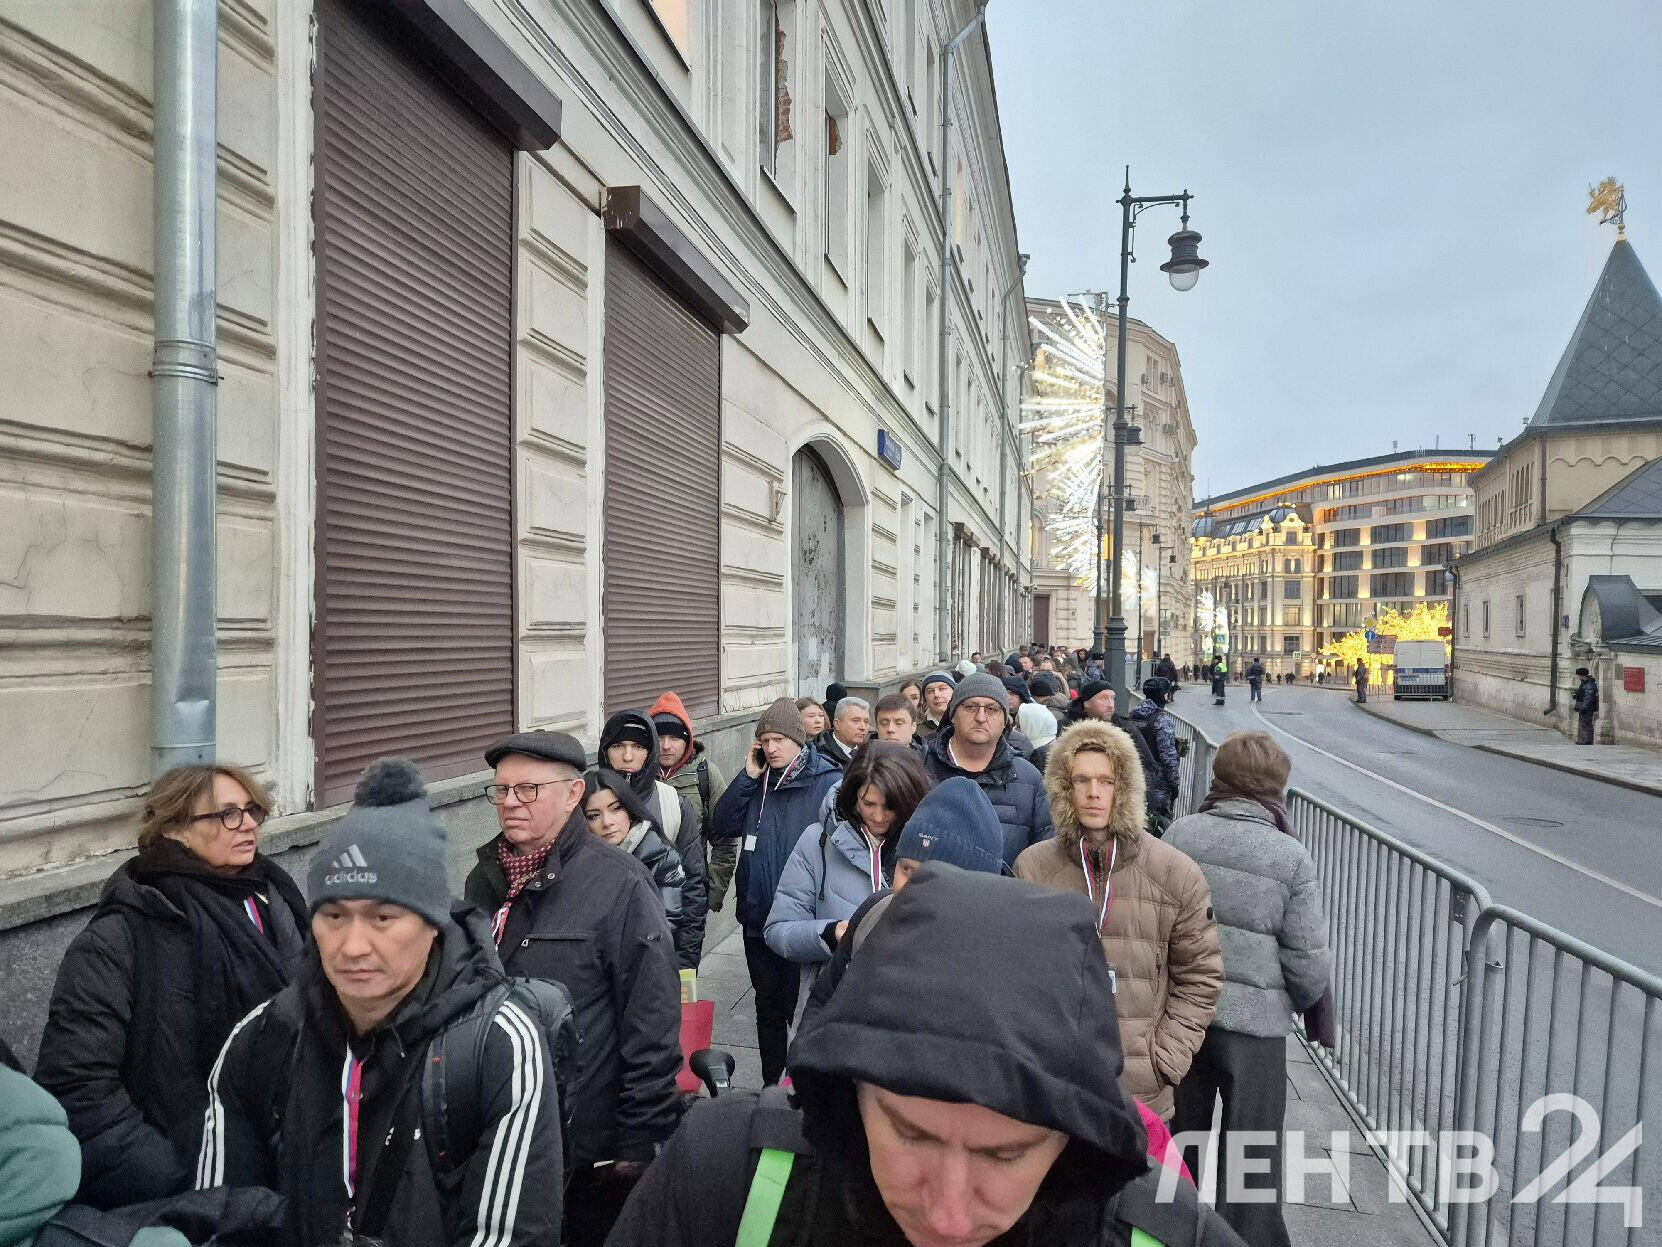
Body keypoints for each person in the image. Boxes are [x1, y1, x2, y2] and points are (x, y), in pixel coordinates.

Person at [607, 866, 1247, 1247]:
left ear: (1074, 1140)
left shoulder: (1162, 1233)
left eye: (1004, 1154)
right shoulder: (724, 1177)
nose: (947, 1215)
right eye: (911, 1134)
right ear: (852, 1095)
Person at [199, 759, 567, 1247]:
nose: (353, 947)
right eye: (334, 916)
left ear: (433, 924)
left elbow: (510, 1235)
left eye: (383, 918)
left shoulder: (497, 1044)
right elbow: (222, 1217)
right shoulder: (263, 1038)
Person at [35, 764, 307, 1208]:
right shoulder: (119, 938)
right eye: (228, 814)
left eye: (252, 810)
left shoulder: (273, 896)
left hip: (289, 1166)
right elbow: (79, 1090)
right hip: (187, 1190)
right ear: (174, 828)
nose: (249, 825)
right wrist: (178, 1181)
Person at [465, 731, 682, 1245]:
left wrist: (639, 1137)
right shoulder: (485, 879)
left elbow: (651, 1016)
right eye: (501, 790)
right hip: (499, 1128)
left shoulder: (620, 883)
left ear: (572, 796)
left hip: (586, 1142)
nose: (510, 802)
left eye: (528, 790)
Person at [1166, 733, 1332, 1247]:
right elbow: (1306, 957)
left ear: (1221, 776)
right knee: (1251, 1154)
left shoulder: (1181, 834)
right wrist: (1301, 1002)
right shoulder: (1289, 856)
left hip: (1182, 1016)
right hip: (1255, 1028)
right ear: (1276, 787)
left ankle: (1168, 1229)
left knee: (1179, 1138)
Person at [1015, 720, 1222, 1119]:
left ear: (1125, 788)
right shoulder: (1033, 867)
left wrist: (1165, 1059)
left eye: (1107, 781)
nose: (1093, 793)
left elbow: (1201, 977)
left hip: (1140, 1093)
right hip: (1053, 1088)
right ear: (1063, 787)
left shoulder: (1175, 873)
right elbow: (1019, 974)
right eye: (1081, 780)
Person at [709, 699, 842, 1085]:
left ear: (798, 740)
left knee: (802, 1010)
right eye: (765, 740)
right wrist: (746, 777)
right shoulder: (757, 780)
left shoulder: (828, 781)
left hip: (802, 922)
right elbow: (722, 826)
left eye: (779, 739)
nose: (771, 748)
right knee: (766, 1008)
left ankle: (803, 1088)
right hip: (757, 918)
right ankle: (770, 1085)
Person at [763, 742, 931, 1022]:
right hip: (830, 1010)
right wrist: (831, 933)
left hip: (906, 1011)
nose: (878, 816)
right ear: (852, 796)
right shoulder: (816, 841)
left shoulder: (928, 847)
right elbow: (778, 931)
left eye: (890, 806)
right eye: (868, 804)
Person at [599, 710, 707, 969]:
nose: (627, 756)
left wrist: (685, 961)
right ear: (605, 751)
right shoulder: (586, 799)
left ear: (650, 753)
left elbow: (692, 887)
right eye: (618, 746)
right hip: (597, 956)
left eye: (638, 747)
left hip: (658, 954)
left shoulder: (672, 804)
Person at [921, 673, 1053, 869]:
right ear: (953, 714)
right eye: (970, 707)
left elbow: (1044, 858)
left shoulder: (1029, 779)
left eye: (992, 709)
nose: (981, 718)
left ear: (1004, 720)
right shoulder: (920, 768)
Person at [584, 768, 689, 953]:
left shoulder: (662, 858)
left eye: (615, 809)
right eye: (594, 815)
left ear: (629, 809)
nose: (607, 822)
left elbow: (666, 926)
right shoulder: (575, 861)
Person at [651, 690, 733, 914]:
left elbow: (725, 842)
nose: (666, 745)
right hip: (646, 894)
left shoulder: (705, 775)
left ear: (687, 740)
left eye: (674, 738)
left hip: (689, 894)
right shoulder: (638, 776)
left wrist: (711, 894)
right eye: (659, 737)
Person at [1130, 677, 1183, 833]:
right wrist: (1174, 783)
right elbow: (1168, 757)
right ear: (1162, 695)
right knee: (1160, 824)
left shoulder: (1133, 715)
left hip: (1135, 776)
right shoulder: (1161, 720)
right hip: (1158, 782)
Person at [816, 696, 872, 770]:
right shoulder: (818, 754)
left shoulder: (873, 752)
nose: (863, 727)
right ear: (837, 724)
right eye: (856, 721)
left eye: (866, 721)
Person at [1018, 700, 1060, 775]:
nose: (1014, 729)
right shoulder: (1053, 745)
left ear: (1032, 726)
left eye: (1019, 726)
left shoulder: (1039, 756)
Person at [916, 670, 955, 740]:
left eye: (942, 689)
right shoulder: (917, 733)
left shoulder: (966, 724)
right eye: (930, 691)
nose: (936, 695)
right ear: (925, 699)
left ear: (954, 693)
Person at [1573, 666, 1600, 745]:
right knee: (1583, 723)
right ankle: (1585, 739)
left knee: (1586, 723)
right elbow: (1583, 694)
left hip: (1587, 707)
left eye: (1578, 675)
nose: (1577, 677)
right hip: (1582, 706)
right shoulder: (1584, 683)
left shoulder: (1589, 684)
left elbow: (1589, 697)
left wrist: (1584, 707)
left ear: (1581, 675)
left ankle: (1587, 740)